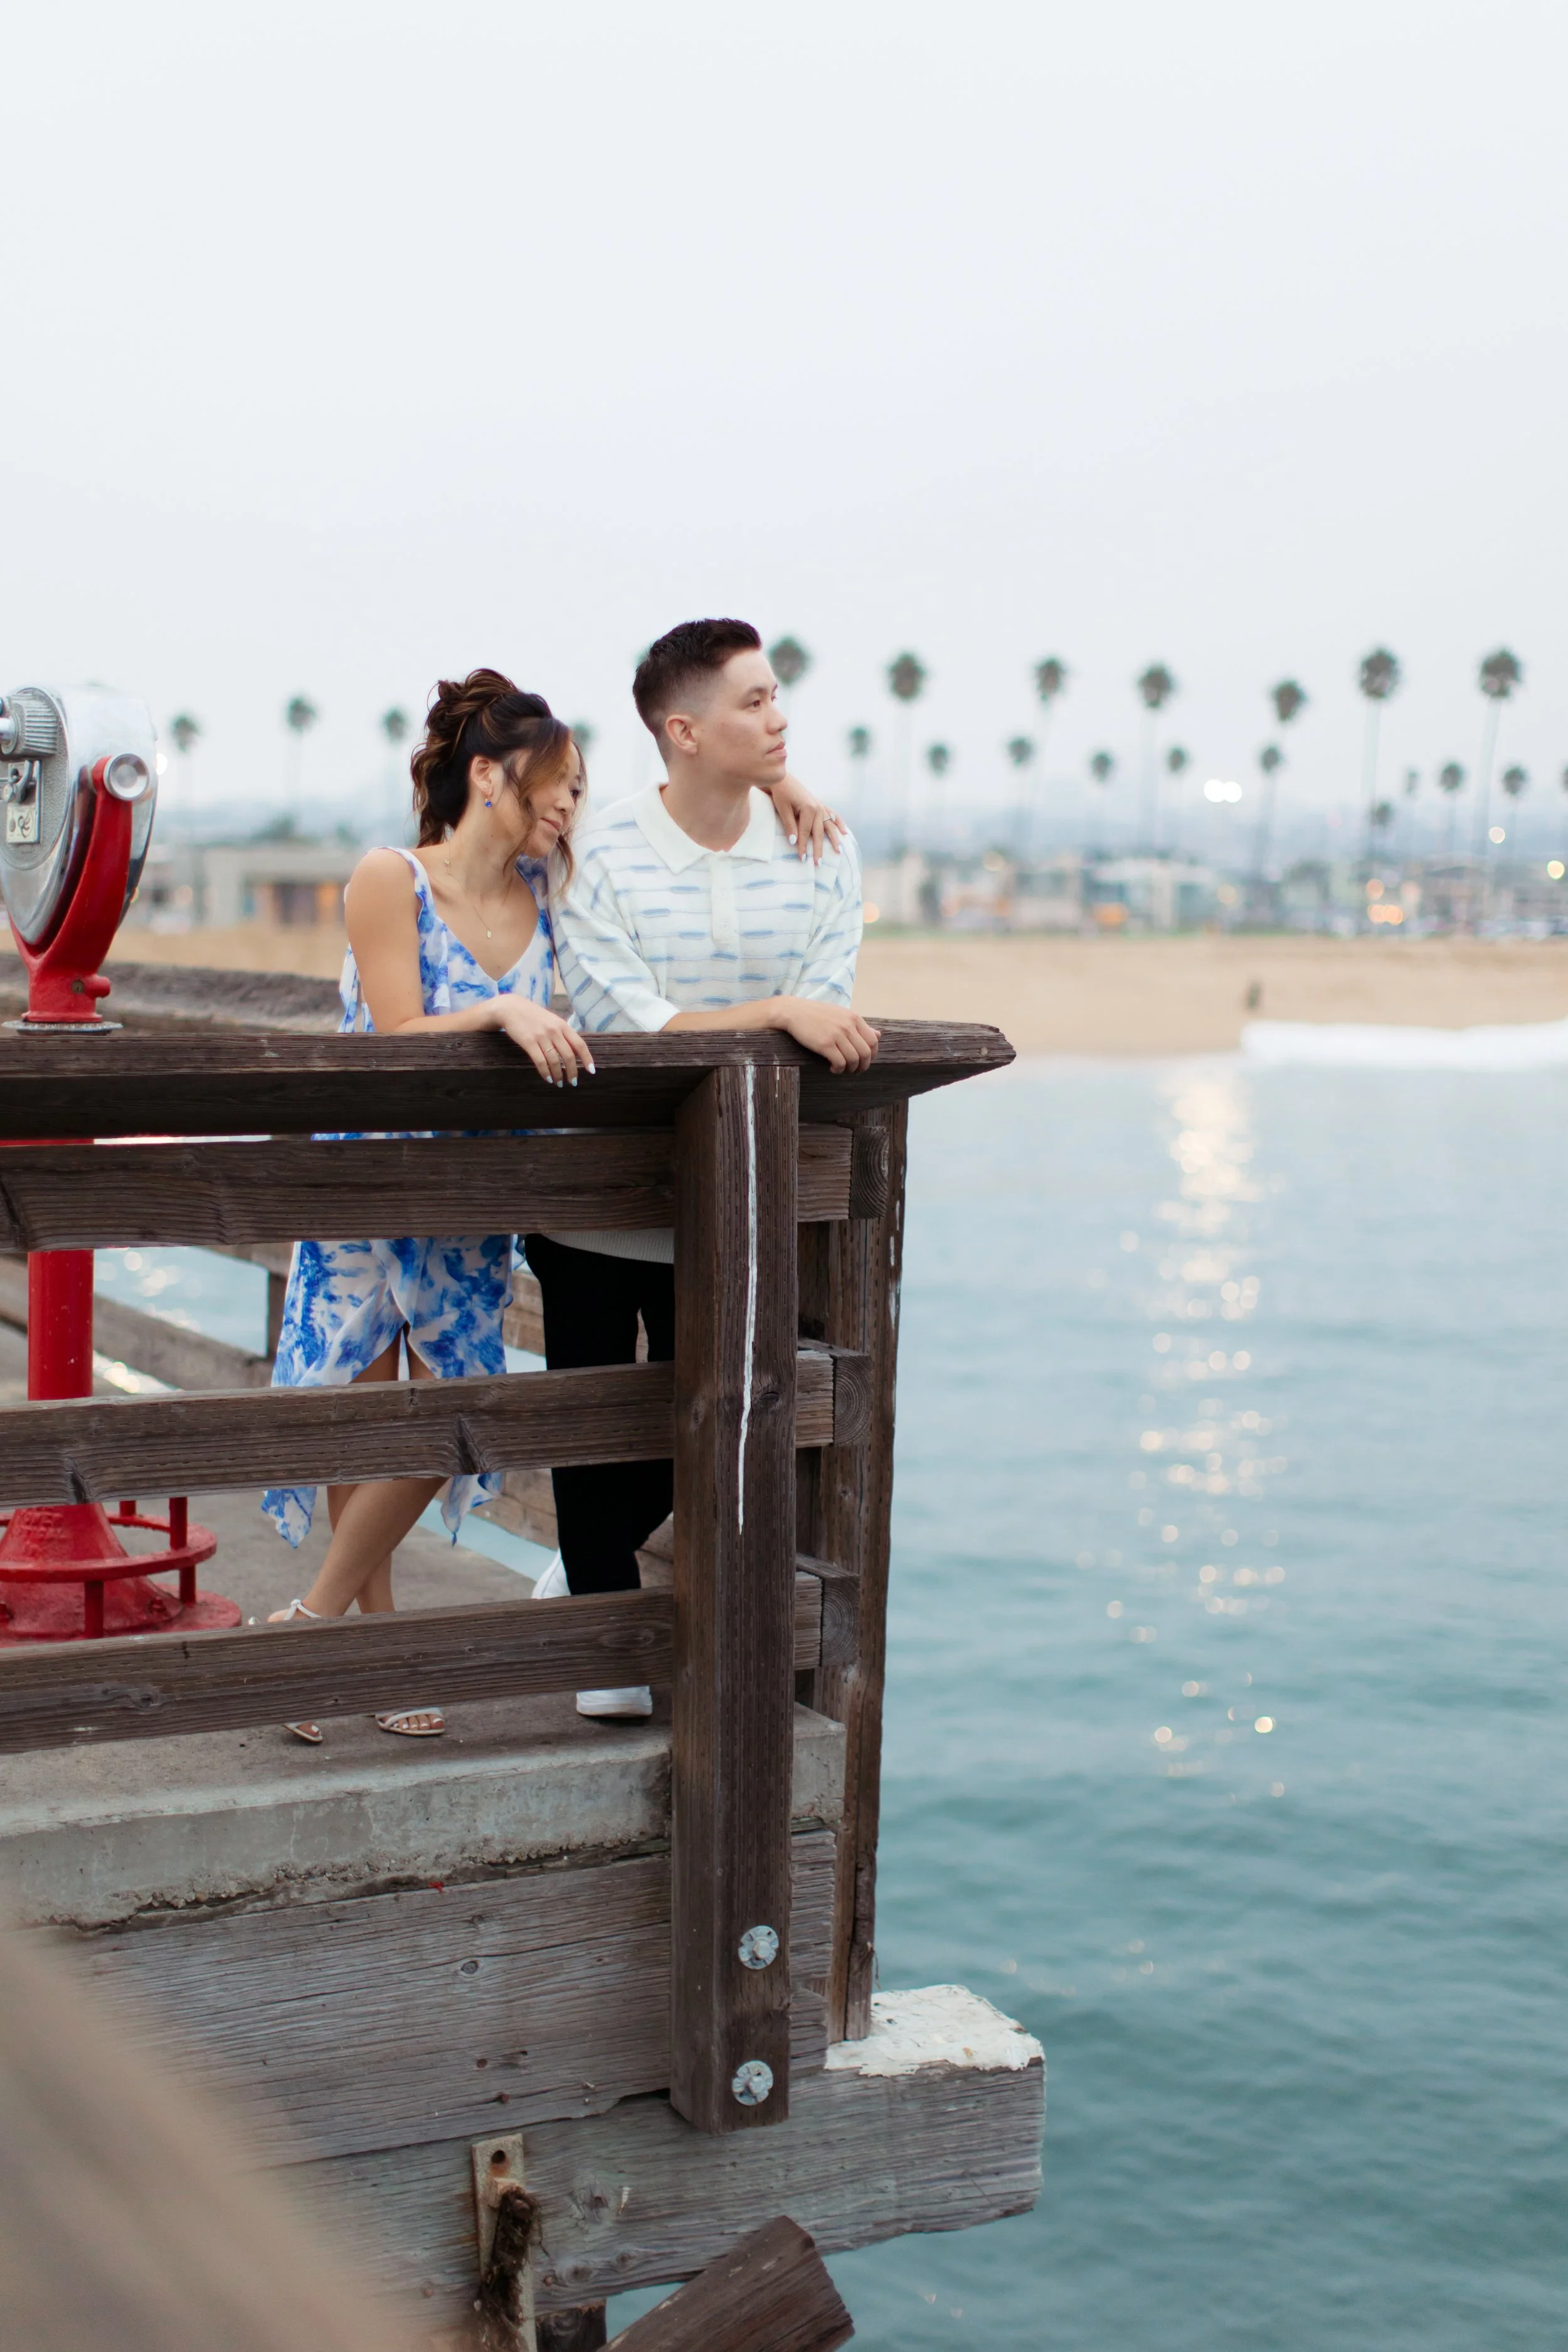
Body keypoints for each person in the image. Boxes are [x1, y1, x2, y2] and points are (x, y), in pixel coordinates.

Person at [263, 664, 841, 1742]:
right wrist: (500, 1018)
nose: (573, 808)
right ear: (492, 777)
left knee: (448, 1416)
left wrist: (785, 788)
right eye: (559, 788)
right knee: (366, 1407)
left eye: (578, 791)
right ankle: (369, 1661)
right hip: (367, 1173)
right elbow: (394, 1033)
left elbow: (679, 825)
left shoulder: (553, 887)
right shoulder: (388, 876)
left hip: (476, 1192)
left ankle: (309, 1627)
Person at [526, 617, 879, 1720]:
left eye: (778, 698)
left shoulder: (821, 842)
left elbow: (833, 1012)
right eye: (755, 702)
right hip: (595, 1192)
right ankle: (604, 1639)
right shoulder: (602, 851)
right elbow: (636, 1029)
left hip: (741, 1196)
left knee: (722, 1418)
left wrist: (785, 1017)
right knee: (591, 1422)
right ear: (683, 730)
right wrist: (773, 1011)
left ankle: (597, 1562)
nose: (780, 719)